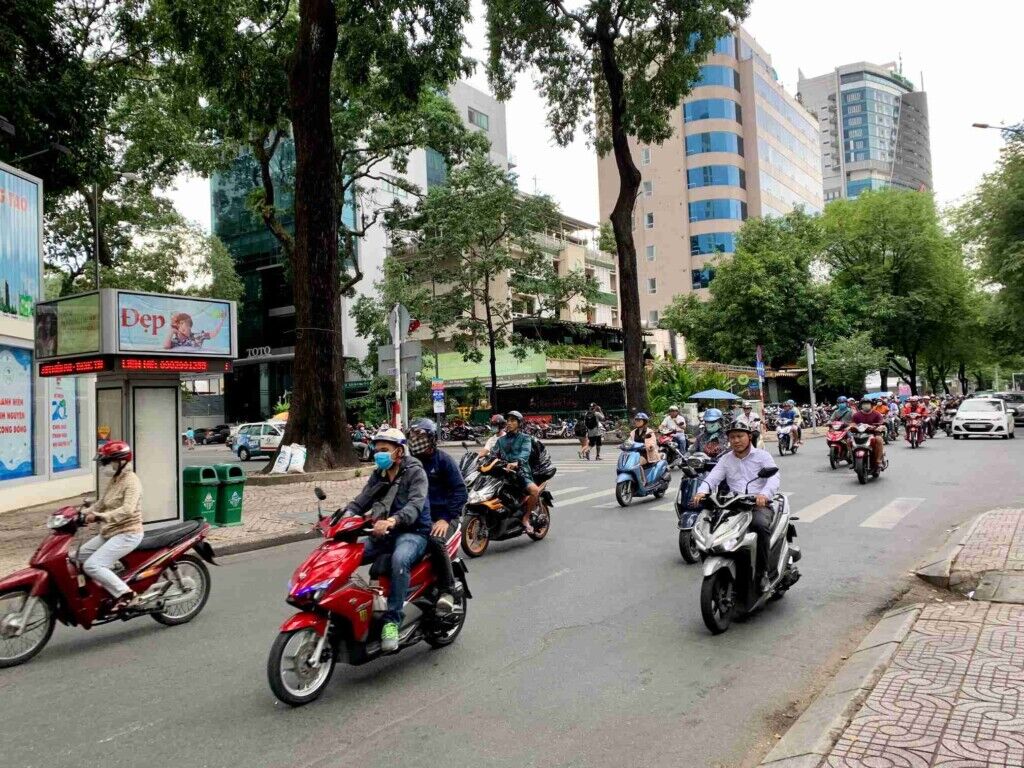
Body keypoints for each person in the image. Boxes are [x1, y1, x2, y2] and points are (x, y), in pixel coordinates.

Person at [342, 428, 432, 652]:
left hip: (413, 532)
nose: (378, 455)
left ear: (399, 452)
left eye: (384, 450)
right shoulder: (378, 475)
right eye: (376, 450)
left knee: (400, 560)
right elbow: (361, 501)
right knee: (347, 555)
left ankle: (392, 622)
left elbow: (415, 506)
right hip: (383, 533)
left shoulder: (415, 472)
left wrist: (392, 521)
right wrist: (342, 518)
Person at [692, 423, 781, 592]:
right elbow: (712, 478)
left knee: (760, 527)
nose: (736, 440)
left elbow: (774, 478)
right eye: (732, 437)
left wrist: (764, 495)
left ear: (749, 437)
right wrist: (701, 491)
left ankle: (763, 574)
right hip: (733, 504)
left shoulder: (762, 456)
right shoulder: (726, 459)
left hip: (757, 504)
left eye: (740, 436)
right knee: (708, 527)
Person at [407, 418, 466, 615]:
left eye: (420, 436)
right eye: (413, 436)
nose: (415, 440)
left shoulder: (443, 461)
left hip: (444, 517)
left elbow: (460, 491)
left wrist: (446, 518)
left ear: (432, 438)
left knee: (435, 540)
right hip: (419, 517)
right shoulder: (410, 464)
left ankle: (447, 590)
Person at [79, 441, 145, 612]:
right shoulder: (116, 479)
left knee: (92, 565)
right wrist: (81, 513)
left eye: (107, 462)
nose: (104, 467)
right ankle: (96, 591)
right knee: (76, 557)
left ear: (121, 461)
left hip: (127, 533)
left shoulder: (132, 481)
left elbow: (127, 510)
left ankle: (127, 595)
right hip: (110, 532)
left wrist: (100, 517)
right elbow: (101, 503)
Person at [493, 411, 540, 532]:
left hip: (520, 471)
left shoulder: (525, 438)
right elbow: (493, 454)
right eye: (508, 420)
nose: (509, 423)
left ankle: (526, 517)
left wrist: (517, 462)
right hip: (503, 472)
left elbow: (525, 453)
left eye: (513, 420)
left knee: (535, 490)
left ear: (519, 423)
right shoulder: (500, 440)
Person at [851, 397, 886, 470]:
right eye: (864, 404)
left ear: (871, 405)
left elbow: (881, 423)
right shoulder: (856, 415)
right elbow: (853, 424)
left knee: (879, 439)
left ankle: (878, 461)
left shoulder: (877, 414)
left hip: (874, 433)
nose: (866, 405)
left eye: (867, 404)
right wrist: (851, 427)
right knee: (849, 441)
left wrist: (880, 427)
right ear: (861, 405)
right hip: (859, 434)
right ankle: (853, 460)